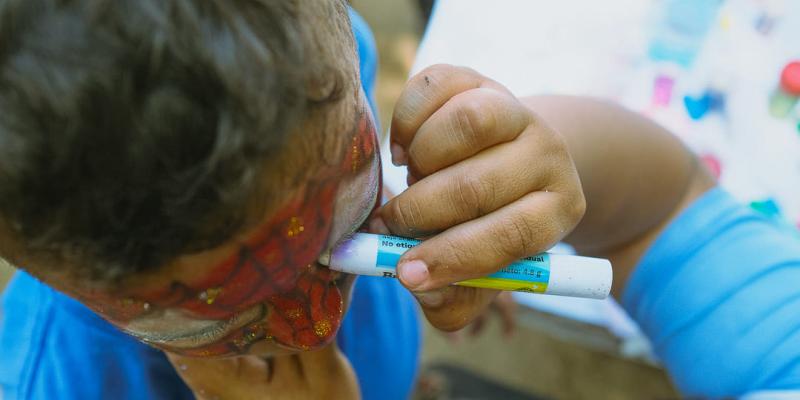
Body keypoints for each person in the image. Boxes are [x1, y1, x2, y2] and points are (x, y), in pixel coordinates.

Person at [0, 1, 586, 399]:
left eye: (340, 227)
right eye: (228, 311)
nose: (319, 326)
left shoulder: (311, 61)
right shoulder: (51, 383)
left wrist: (469, 221)